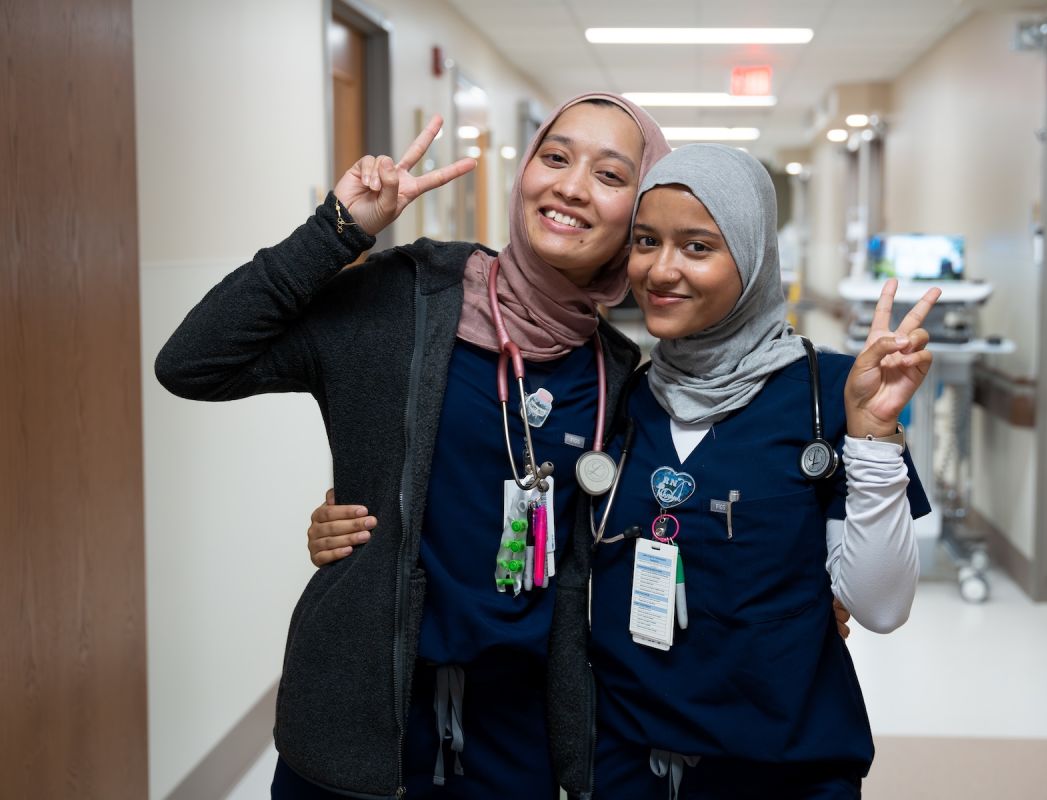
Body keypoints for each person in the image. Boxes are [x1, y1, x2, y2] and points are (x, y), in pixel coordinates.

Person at [306, 144, 938, 799]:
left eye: (697, 247)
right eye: (646, 241)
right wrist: (352, 521)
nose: (662, 270)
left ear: (751, 258)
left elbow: (881, 606)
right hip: (622, 763)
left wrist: (873, 438)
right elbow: (505, 521)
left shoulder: (831, 395)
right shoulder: (620, 398)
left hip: (783, 768)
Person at [155, 93, 670, 799]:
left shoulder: (616, 372)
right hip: (354, 726)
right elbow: (193, 363)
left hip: (514, 742)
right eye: (555, 157)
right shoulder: (407, 297)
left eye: (611, 176)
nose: (572, 187)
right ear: (525, 173)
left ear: (637, 217)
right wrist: (335, 231)